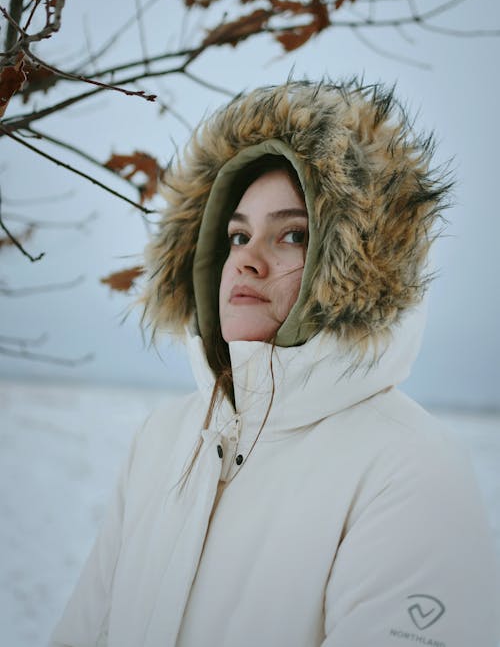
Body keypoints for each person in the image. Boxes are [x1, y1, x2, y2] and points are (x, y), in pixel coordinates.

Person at [50, 79, 499, 647]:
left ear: (354, 265)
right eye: (237, 236)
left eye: (291, 235)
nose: (248, 261)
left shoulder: (407, 466)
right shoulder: (164, 439)